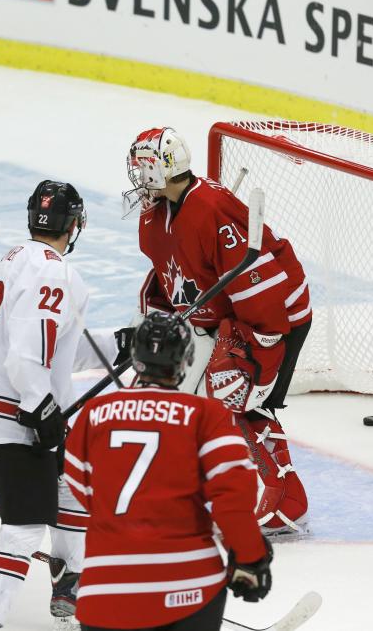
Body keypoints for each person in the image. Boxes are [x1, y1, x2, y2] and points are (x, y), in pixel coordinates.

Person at [124, 126, 311, 534]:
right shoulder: (157, 214)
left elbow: (259, 287)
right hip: (217, 316)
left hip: (276, 312)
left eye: (142, 169)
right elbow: (168, 271)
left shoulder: (212, 209)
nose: (138, 179)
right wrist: (153, 319)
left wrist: (257, 357)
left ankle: (289, 498)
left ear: (159, 170)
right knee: (173, 394)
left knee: (240, 398)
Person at [0, 180, 118, 631]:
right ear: (74, 224)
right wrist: (40, 406)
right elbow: (28, 353)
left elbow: (53, 346)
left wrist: (118, 343)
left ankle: (70, 580)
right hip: (10, 407)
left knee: (73, 478)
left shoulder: (18, 258)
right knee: (26, 524)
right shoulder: (55, 272)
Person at [65, 311, 272, 631]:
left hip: (103, 594)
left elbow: (80, 485)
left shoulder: (93, 413)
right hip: (187, 588)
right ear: (186, 360)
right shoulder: (205, 414)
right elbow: (232, 497)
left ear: (135, 355)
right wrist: (250, 556)